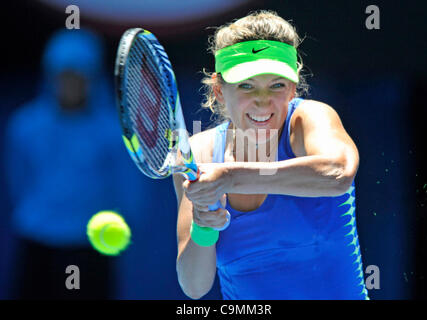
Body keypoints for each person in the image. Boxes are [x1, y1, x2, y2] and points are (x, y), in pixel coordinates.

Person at [174, 10, 369, 300]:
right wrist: (204, 225)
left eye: (276, 85)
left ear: (292, 88)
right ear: (218, 89)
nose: (263, 101)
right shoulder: (198, 153)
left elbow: (338, 173)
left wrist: (230, 178)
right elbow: (194, 286)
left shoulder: (308, 118)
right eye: (246, 85)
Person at [4, 29, 147, 299]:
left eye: (78, 76)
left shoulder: (114, 132)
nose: (70, 84)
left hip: (91, 250)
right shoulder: (24, 125)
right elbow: (18, 180)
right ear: (50, 77)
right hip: (37, 244)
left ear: (92, 78)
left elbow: (130, 192)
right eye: (63, 76)